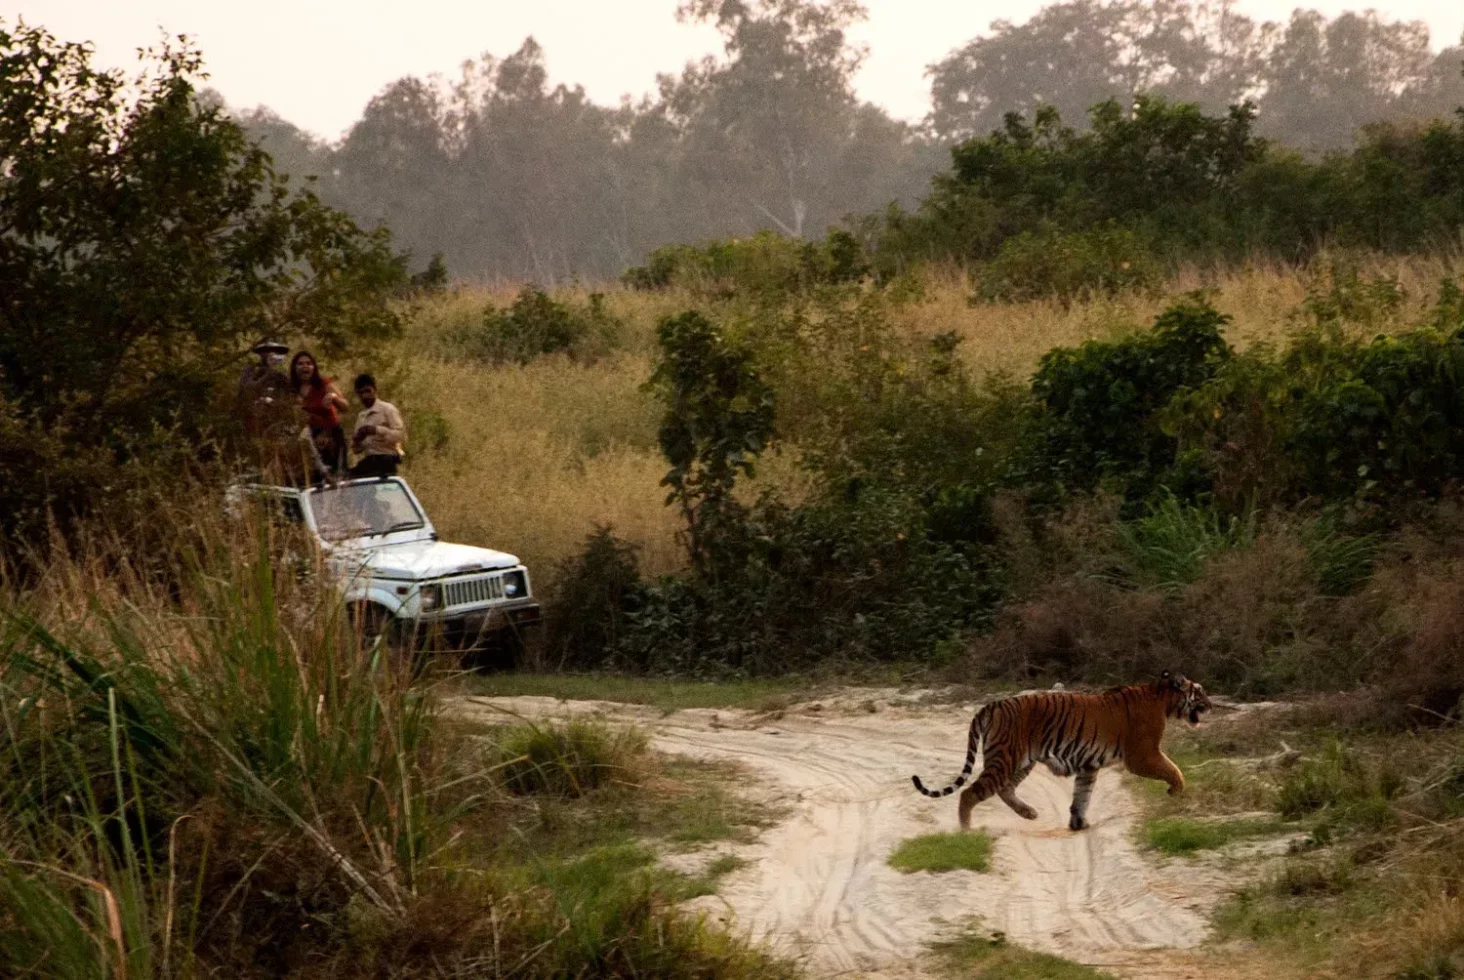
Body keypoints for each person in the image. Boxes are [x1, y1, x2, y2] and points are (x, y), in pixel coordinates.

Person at [289, 351, 349, 479]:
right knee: (314, 477)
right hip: (307, 439)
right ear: (294, 368)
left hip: (331, 435)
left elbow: (345, 407)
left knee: (336, 475)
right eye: (300, 364)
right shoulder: (292, 390)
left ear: (314, 367)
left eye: (308, 363)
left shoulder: (323, 384)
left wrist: (334, 398)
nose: (305, 366)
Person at [349, 373, 407, 478]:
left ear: (375, 390)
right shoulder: (361, 416)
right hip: (369, 461)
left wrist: (376, 430)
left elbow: (401, 435)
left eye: (368, 391)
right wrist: (358, 439)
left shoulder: (388, 409)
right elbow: (356, 450)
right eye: (361, 393)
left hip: (386, 461)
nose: (365, 396)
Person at [236, 339, 292, 439]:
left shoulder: (280, 376)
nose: (273, 355)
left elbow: (289, 396)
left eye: (276, 352)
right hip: (250, 417)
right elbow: (247, 389)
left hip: (273, 420)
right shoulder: (251, 370)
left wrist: (275, 402)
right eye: (268, 352)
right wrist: (266, 375)